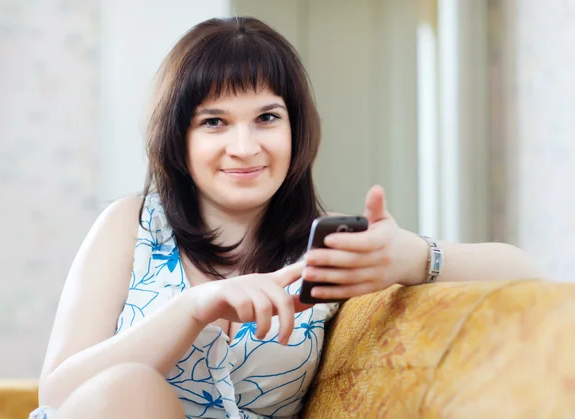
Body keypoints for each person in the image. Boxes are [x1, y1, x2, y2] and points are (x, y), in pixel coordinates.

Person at [29, 16, 540, 419]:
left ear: (296, 127)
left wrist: (412, 255)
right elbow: (59, 393)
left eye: (267, 118)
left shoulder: (324, 249)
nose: (244, 147)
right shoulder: (132, 224)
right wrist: (193, 309)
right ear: (178, 139)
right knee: (129, 385)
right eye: (214, 122)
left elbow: (527, 277)